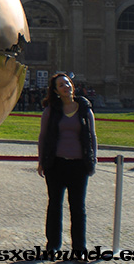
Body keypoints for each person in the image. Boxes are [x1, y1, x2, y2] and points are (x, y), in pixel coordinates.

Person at [37, 73, 97, 257]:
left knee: (78, 208)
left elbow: (92, 136)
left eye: (67, 83)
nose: (66, 87)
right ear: (56, 91)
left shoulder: (85, 109)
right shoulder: (51, 110)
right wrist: (41, 161)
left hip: (79, 165)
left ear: (72, 85)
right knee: (54, 206)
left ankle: (79, 249)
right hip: (56, 164)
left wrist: (93, 159)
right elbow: (43, 136)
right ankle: (53, 246)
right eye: (61, 85)